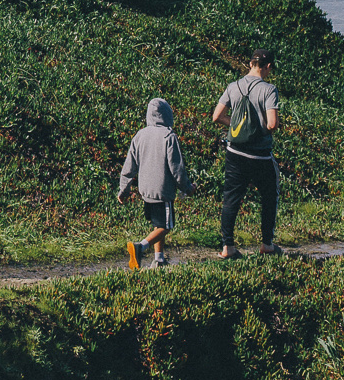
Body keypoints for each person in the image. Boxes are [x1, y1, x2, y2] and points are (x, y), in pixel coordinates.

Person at [211, 49, 281, 259]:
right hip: (260, 155)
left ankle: (227, 247)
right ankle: (267, 244)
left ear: (250, 64)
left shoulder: (233, 86)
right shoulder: (269, 90)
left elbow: (217, 117)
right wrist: (256, 131)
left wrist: (237, 127)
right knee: (269, 197)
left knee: (231, 198)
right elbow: (272, 124)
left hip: (234, 152)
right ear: (267, 66)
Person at [117, 97, 194, 269]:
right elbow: (177, 169)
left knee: (157, 224)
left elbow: (130, 165)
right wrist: (187, 188)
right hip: (163, 190)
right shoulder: (169, 136)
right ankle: (140, 247)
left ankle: (159, 259)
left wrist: (124, 189)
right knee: (166, 226)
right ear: (168, 115)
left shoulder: (140, 135)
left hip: (145, 190)